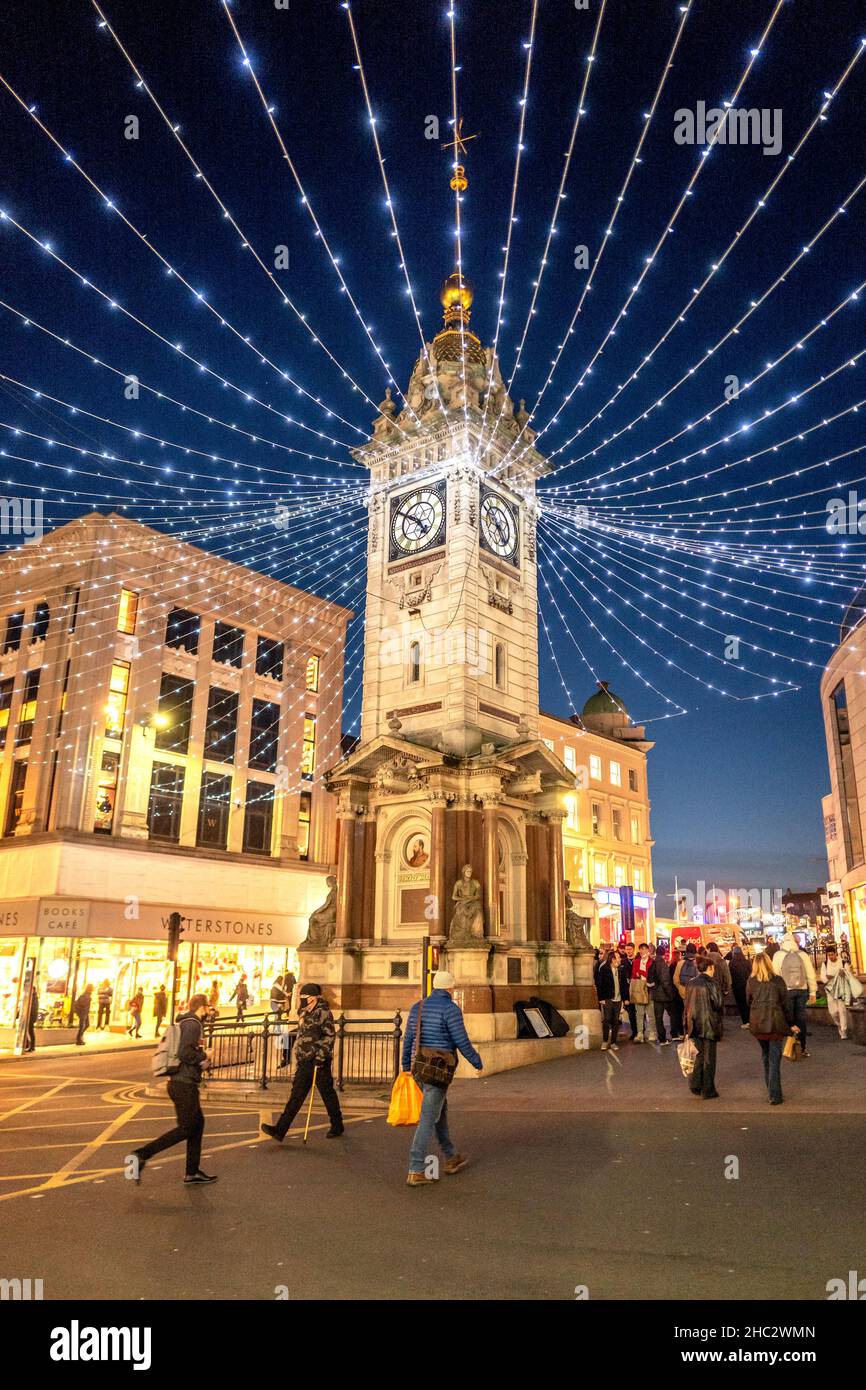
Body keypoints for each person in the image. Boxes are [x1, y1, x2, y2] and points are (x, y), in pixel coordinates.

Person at [400, 969, 483, 1187]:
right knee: (428, 1118)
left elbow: (408, 1038)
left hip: (419, 1067)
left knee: (439, 1110)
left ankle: (451, 1156)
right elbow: (461, 1040)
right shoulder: (450, 1009)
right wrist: (476, 1061)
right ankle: (416, 1168)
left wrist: (405, 1066)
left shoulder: (417, 1007)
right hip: (439, 1070)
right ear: (449, 988)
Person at [126, 993, 216, 1185]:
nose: (210, 1012)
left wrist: (200, 1063)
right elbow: (184, 1052)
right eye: (208, 1007)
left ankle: (192, 1172)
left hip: (181, 1082)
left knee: (197, 1124)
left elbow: (184, 1052)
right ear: (202, 1007)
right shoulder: (193, 1024)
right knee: (186, 1128)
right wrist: (204, 1056)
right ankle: (141, 1154)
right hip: (183, 1084)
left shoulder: (186, 1023)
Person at [261, 983, 344, 1142]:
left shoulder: (323, 1012)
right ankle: (280, 1129)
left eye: (304, 997)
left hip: (318, 1061)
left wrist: (320, 1056)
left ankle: (337, 1124)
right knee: (296, 1096)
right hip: (304, 1060)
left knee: (327, 1094)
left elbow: (329, 1036)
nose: (302, 1000)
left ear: (313, 997)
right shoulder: (305, 1013)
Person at [746, 951, 797, 1105]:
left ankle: (771, 1090)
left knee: (766, 1056)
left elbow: (748, 1002)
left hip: (758, 1025)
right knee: (774, 1059)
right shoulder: (778, 981)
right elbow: (786, 1004)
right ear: (769, 963)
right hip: (775, 1024)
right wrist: (791, 1023)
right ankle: (775, 1095)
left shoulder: (751, 982)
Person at [772, 933, 817, 1056]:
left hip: (786, 991)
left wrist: (777, 994)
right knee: (801, 1019)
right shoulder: (802, 954)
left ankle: (790, 1046)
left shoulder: (778, 955)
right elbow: (810, 974)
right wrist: (813, 991)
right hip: (802, 989)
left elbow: (775, 976)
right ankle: (802, 1047)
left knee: (789, 1019)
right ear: (795, 942)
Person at [685, 957, 723, 1099]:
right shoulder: (712, 983)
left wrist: (686, 1025)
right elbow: (718, 1004)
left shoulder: (691, 983)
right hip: (709, 1024)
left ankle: (696, 1084)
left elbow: (687, 1005)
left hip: (694, 1023)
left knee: (698, 1056)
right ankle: (708, 1089)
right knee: (709, 1057)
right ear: (709, 968)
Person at [821, 945, 857, 1040]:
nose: (831, 957)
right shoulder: (825, 964)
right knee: (833, 1012)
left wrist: (833, 977)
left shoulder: (843, 962)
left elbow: (848, 975)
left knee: (842, 1010)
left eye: (832, 955)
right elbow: (823, 978)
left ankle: (844, 1030)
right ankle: (839, 1025)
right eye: (829, 955)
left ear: (836, 953)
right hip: (830, 991)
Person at [595, 949, 629, 1050]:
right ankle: (605, 1041)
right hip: (607, 998)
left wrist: (626, 998)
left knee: (615, 1021)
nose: (620, 959)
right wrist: (601, 998)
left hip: (618, 999)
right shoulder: (604, 969)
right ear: (613, 959)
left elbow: (624, 985)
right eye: (618, 957)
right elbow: (599, 984)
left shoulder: (621, 970)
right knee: (607, 1019)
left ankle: (613, 1042)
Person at [629, 942, 657, 1043]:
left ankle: (653, 1032)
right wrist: (639, 974)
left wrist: (641, 972)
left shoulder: (652, 962)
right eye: (640, 949)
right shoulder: (636, 961)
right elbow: (633, 974)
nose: (642, 951)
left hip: (649, 990)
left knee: (651, 1013)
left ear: (648, 951)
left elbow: (651, 975)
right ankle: (640, 1033)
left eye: (644, 949)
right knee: (639, 1013)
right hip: (639, 989)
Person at [648, 946, 675, 1044]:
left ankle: (662, 1038)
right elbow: (665, 981)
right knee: (673, 1014)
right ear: (664, 953)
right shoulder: (663, 964)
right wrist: (670, 994)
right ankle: (674, 1034)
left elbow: (649, 979)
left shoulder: (653, 963)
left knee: (658, 1018)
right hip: (664, 995)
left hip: (655, 995)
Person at [728, 945, 751, 1027]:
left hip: (737, 987)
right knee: (748, 1003)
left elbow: (730, 975)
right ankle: (751, 1020)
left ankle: (745, 1022)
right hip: (747, 986)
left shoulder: (732, 963)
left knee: (741, 1005)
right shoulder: (747, 962)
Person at [621, 942, 638, 1038]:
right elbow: (622, 981)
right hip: (628, 991)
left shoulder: (638, 960)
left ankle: (641, 1031)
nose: (628, 951)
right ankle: (634, 1032)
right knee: (631, 1014)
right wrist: (624, 998)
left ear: (633, 949)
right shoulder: (623, 962)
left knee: (640, 1013)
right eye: (627, 949)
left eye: (630, 949)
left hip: (637, 990)